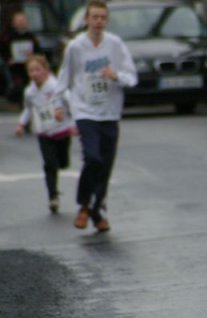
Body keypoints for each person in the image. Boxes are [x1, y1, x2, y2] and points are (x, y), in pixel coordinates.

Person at [55, 0, 137, 232]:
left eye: (102, 17)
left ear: (107, 20)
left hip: (110, 112)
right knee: (93, 158)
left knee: (106, 164)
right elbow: (64, 78)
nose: (98, 21)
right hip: (85, 110)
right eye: (94, 17)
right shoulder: (75, 47)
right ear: (86, 20)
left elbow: (132, 77)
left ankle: (97, 210)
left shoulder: (116, 44)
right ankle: (84, 205)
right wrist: (58, 105)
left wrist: (116, 76)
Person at [15, 55, 74, 214]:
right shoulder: (29, 92)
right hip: (44, 132)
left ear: (46, 70)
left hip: (61, 131)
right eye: (31, 71)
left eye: (37, 70)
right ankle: (53, 197)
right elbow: (28, 109)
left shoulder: (56, 87)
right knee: (49, 165)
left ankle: (61, 165)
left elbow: (70, 103)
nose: (34, 74)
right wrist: (21, 124)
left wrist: (74, 123)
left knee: (62, 163)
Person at [0, 11, 41, 105]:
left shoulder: (31, 37)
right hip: (15, 68)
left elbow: (38, 51)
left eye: (22, 20)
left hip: (28, 66)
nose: (21, 23)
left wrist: (33, 57)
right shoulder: (8, 37)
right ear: (13, 23)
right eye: (18, 21)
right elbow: (1, 49)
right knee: (18, 87)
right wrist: (8, 59)